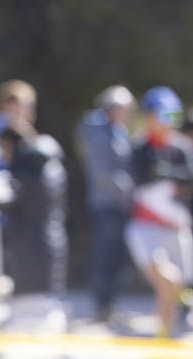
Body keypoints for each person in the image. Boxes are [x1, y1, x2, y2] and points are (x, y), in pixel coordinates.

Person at [125, 86, 193, 338]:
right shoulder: (140, 148)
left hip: (175, 229)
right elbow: (140, 179)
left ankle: (167, 338)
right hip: (146, 229)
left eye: (171, 116)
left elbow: (187, 181)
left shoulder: (181, 148)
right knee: (169, 280)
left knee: (176, 290)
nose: (166, 122)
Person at [77, 86, 136, 321]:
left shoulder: (116, 131)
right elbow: (105, 173)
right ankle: (103, 305)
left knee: (114, 256)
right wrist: (129, 193)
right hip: (108, 204)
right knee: (106, 255)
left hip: (116, 204)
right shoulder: (101, 135)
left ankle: (109, 304)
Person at [0, 120, 69, 297]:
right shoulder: (48, 162)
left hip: (30, 247)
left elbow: (15, 199)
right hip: (54, 239)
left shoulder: (24, 167)